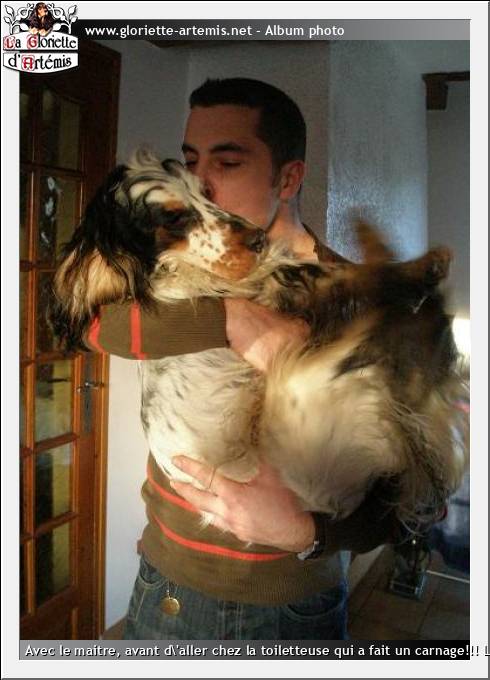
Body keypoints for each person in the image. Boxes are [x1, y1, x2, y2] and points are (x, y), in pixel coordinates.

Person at [86, 78, 400, 640]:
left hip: (287, 610)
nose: (198, 183)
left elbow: (396, 505)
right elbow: (89, 322)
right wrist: (229, 318)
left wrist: (304, 533)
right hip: (162, 584)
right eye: (190, 161)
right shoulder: (175, 260)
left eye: (228, 163)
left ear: (288, 178)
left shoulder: (356, 302)